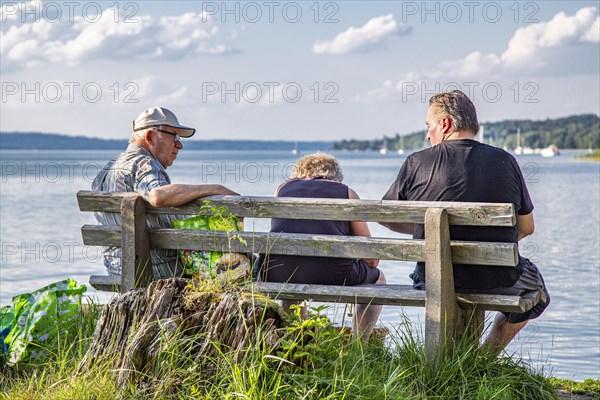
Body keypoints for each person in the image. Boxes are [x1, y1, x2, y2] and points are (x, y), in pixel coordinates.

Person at [381, 90, 550, 353]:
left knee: (454, 276)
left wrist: (434, 234)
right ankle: (483, 359)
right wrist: (483, 249)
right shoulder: (505, 161)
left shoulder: (416, 163)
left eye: (429, 126)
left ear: (445, 124)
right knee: (537, 292)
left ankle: (459, 362)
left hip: (432, 277)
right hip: (495, 277)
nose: (427, 135)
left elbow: (387, 218)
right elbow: (527, 228)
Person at [92, 107, 239, 279]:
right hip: (158, 274)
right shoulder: (143, 164)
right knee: (245, 265)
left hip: (117, 272)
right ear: (150, 137)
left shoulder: (105, 171)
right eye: (174, 136)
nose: (180, 144)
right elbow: (157, 196)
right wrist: (216, 189)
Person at [260, 152, 386, 338]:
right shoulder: (347, 193)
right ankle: (358, 346)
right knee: (379, 279)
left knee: (291, 273)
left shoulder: (282, 189)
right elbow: (371, 259)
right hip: (335, 273)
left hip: (279, 271)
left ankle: (297, 340)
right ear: (335, 175)